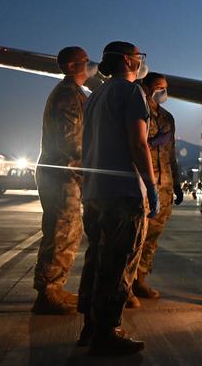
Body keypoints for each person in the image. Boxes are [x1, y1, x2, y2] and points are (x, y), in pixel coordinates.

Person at [76, 41, 158, 355]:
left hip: (95, 190)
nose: (141, 61)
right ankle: (107, 333)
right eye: (139, 56)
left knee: (95, 259)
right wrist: (150, 185)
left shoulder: (96, 95)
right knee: (119, 263)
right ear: (128, 60)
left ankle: (89, 326)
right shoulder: (130, 91)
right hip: (123, 193)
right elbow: (138, 143)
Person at [32, 46, 95, 315]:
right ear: (71, 66)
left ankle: (54, 287)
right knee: (61, 232)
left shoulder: (75, 94)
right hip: (61, 174)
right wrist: (91, 170)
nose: (90, 65)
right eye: (85, 62)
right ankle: (48, 293)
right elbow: (72, 142)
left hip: (65, 174)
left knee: (68, 231)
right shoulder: (68, 96)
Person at [130, 73, 184, 304]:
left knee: (152, 237)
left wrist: (177, 184)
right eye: (159, 87)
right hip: (144, 182)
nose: (163, 91)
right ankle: (126, 285)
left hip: (164, 185)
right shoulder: (136, 111)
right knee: (135, 237)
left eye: (165, 87)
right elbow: (133, 145)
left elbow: (171, 154)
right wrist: (152, 143)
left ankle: (140, 279)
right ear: (146, 87)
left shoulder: (167, 118)